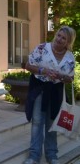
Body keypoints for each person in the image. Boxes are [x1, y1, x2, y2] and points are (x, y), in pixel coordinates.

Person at [22, 26, 76, 164]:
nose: (59, 39)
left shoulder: (69, 57)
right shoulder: (42, 48)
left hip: (56, 92)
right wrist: (43, 70)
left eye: (63, 38)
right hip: (40, 88)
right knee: (37, 122)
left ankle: (52, 155)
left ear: (68, 41)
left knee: (52, 123)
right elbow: (28, 65)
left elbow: (71, 78)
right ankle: (34, 156)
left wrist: (62, 76)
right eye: (59, 35)